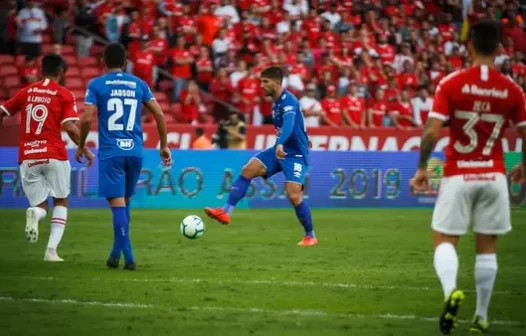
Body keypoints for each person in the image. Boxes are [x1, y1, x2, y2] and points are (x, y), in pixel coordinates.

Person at [410, 20, 526, 335]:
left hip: (459, 174)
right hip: (493, 176)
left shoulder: (451, 83)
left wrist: (422, 168)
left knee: (443, 239)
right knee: (487, 247)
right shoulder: (512, 89)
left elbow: (432, 132)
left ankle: (451, 293)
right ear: (501, 50)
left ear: (469, 46)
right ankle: (482, 317)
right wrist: (524, 165)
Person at [75, 43, 171, 270]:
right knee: (125, 201)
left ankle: (129, 257)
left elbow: (87, 118)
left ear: (103, 61)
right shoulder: (139, 83)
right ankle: (115, 254)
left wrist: (81, 144)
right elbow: (158, 113)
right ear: (126, 62)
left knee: (117, 202)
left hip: (112, 151)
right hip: (135, 151)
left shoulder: (96, 84)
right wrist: (164, 145)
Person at [204, 66, 317, 246]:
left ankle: (310, 236)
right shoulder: (276, 102)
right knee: (248, 170)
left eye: (265, 82)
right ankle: (226, 212)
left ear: (277, 83)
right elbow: (295, 124)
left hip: (294, 154)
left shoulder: (288, 101)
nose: (261, 86)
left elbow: (288, 125)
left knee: (294, 196)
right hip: (279, 149)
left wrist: (282, 142)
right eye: (260, 82)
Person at [0, 54, 94, 262]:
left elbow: (2, 111)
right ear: (61, 72)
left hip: (28, 156)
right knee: (61, 200)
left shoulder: (25, 92)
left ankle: (36, 213)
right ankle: (51, 251)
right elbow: (69, 126)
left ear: (41, 70)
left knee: (40, 206)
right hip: (54, 153)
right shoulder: (63, 94)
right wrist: (84, 149)